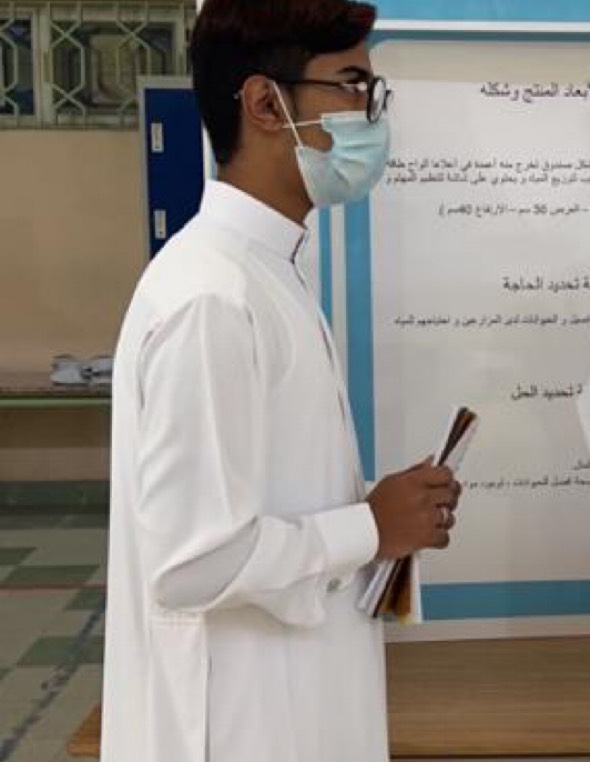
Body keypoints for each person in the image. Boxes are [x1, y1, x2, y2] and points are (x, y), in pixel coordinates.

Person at [101, 1, 462, 760]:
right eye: (353, 86)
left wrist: (379, 516)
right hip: (239, 724)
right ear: (266, 104)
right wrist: (370, 527)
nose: (372, 115)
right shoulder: (212, 298)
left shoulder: (264, 272)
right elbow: (190, 562)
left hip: (292, 707)